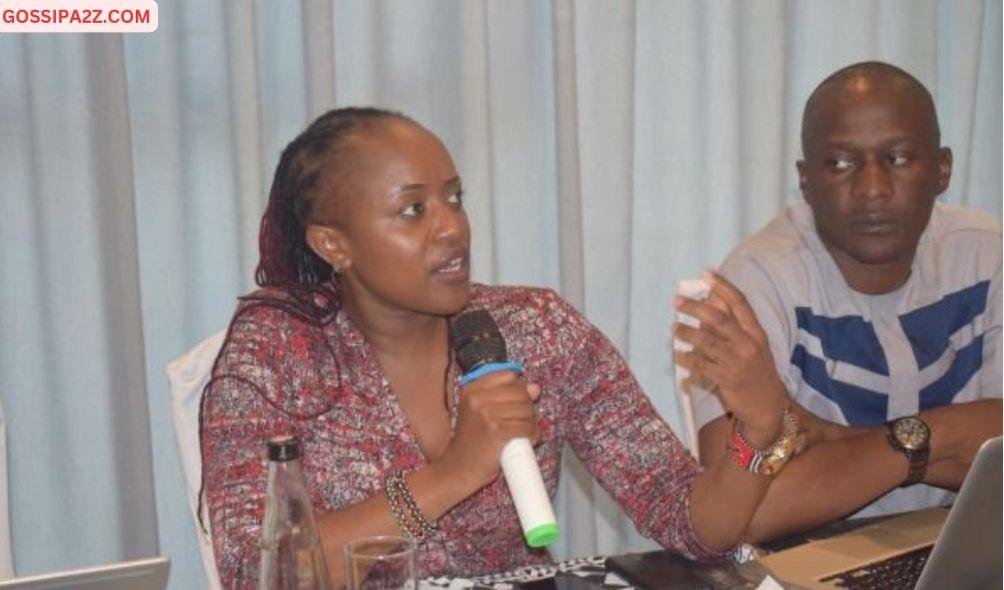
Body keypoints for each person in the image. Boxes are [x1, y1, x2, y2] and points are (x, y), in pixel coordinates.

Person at [201, 107, 802, 589]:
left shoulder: (536, 327)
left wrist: (757, 424)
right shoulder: (275, 356)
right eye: (413, 210)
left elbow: (694, 527)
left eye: (454, 198)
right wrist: (455, 473)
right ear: (334, 244)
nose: (451, 227)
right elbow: (257, 574)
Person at [676, 61, 1002, 543]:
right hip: (807, 557)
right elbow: (750, 510)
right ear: (805, 180)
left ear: (942, 169)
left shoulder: (986, 254)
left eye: (898, 158)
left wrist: (841, 437)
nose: (872, 189)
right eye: (841, 163)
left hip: (957, 546)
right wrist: (945, 442)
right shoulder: (754, 282)